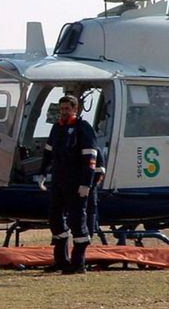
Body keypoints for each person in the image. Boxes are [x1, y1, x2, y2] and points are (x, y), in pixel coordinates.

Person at [37, 95, 105, 274]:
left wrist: (86, 184)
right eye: (62, 109)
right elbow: (48, 153)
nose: (64, 112)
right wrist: (42, 174)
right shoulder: (57, 129)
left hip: (76, 183)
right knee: (55, 219)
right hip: (58, 182)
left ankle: (78, 262)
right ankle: (61, 260)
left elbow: (90, 158)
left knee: (77, 221)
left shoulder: (84, 129)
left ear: (75, 109)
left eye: (67, 109)